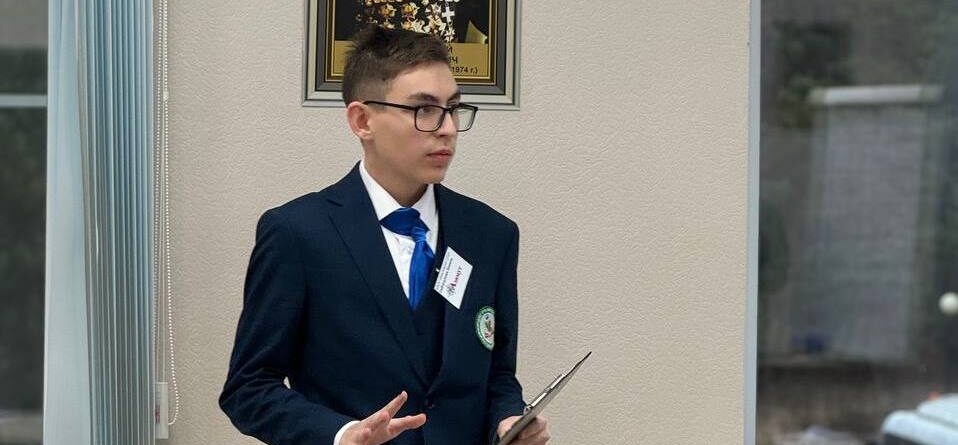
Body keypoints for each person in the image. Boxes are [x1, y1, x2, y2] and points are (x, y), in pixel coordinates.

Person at [219, 25, 550, 445]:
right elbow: (248, 388)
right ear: (362, 121)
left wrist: (508, 419)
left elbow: (497, 374)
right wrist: (340, 434)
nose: (448, 128)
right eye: (424, 109)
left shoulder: (490, 234)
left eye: (453, 108)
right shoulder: (298, 234)